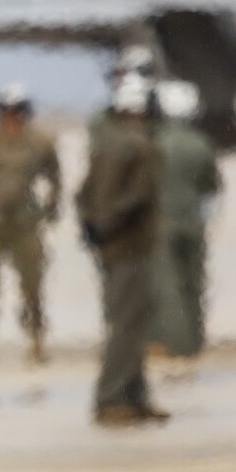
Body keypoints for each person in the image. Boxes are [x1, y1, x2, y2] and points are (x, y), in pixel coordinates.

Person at [76, 74, 166, 427]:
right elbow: (140, 195)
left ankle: (135, 396)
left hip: (108, 249)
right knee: (128, 324)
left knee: (125, 320)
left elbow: (83, 193)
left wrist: (92, 229)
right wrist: (109, 224)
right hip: (133, 248)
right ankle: (112, 397)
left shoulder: (103, 144)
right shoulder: (145, 148)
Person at [0, 83, 61, 365]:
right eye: (6, 112)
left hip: (25, 223)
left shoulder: (40, 142)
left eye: (16, 112)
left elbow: (55, 177)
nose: (11, 118)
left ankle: (37, 339)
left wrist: (48, 209)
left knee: (32, 283)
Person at [151, 80, 220, 361]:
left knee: (169, 285)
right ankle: (194, 341)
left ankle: (175, 343)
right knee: (194, 282)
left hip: (162, 221)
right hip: (193, 221)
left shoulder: (154, 143)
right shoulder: (202, 144)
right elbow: (211, 185)